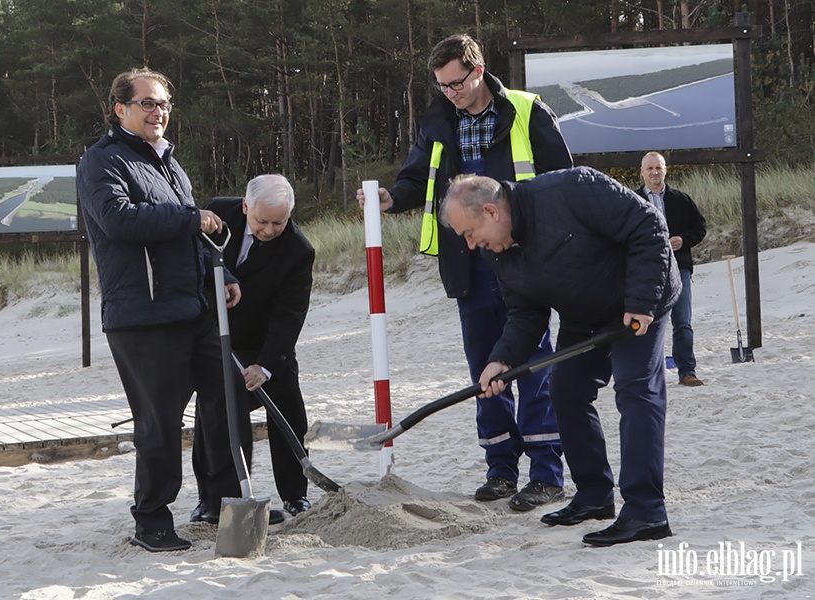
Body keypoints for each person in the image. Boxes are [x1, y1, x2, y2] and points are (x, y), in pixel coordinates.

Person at [356, 34, 572, 511]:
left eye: (456, 84)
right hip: (467, 261)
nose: (450, 93)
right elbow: (417, 178)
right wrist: (391, 198)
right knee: (485, 369)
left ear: (478, 70)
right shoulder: (438, 120)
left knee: (532, 363)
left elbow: (563, 182)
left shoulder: (526, 110)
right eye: (442, 86)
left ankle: (546, 473)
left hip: (523, 258)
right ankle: (500, 469)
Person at [440, 170, 681, 546]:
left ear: (491, 211)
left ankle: (646, 512)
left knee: (636, 393)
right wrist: (503, 359)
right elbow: (525, 312)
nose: (472, 246)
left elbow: (649, 225)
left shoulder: (571, 189)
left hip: (639, 302)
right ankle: (594, 495)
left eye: (470, 234)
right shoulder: (496, 252)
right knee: (566, 391)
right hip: (583, 314)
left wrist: (640, 302)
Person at [77, 67, 247, 552]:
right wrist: (190, 216)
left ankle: (220, 501)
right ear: (120, 109)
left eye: (165, 104)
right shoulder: (100, 162)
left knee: (227, 395)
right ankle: (151, 520)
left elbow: (189, 237)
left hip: (191, 308)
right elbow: (118, 220)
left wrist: (225, 275)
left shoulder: (170, 163)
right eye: (148, 103)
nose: (159, 112)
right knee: (159, 422)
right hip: (142, 317)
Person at [193, 174, 315, 523]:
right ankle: (213, 500)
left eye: (280, 221)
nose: (269, 229)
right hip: (215, 333)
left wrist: (264, 365)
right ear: (246, 207)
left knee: (288, 406)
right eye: (262, 221)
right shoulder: (217, 214)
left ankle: (295, 494)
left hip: (265, 340)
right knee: (216, 412)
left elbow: (289, 316)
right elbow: (193, 253)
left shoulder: (298, 250)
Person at [635, 152, 708, 387]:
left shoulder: (681, 199)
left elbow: (700, 228)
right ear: (642, 172)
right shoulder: (631, 200)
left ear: (665, 170)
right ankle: (646, 375)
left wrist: (683, 240)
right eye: (650, 168)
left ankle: (687, 371)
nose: (654, 172)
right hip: (645, 271)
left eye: (659, 167)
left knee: (683, 322)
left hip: (679, 268)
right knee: (646, 324)